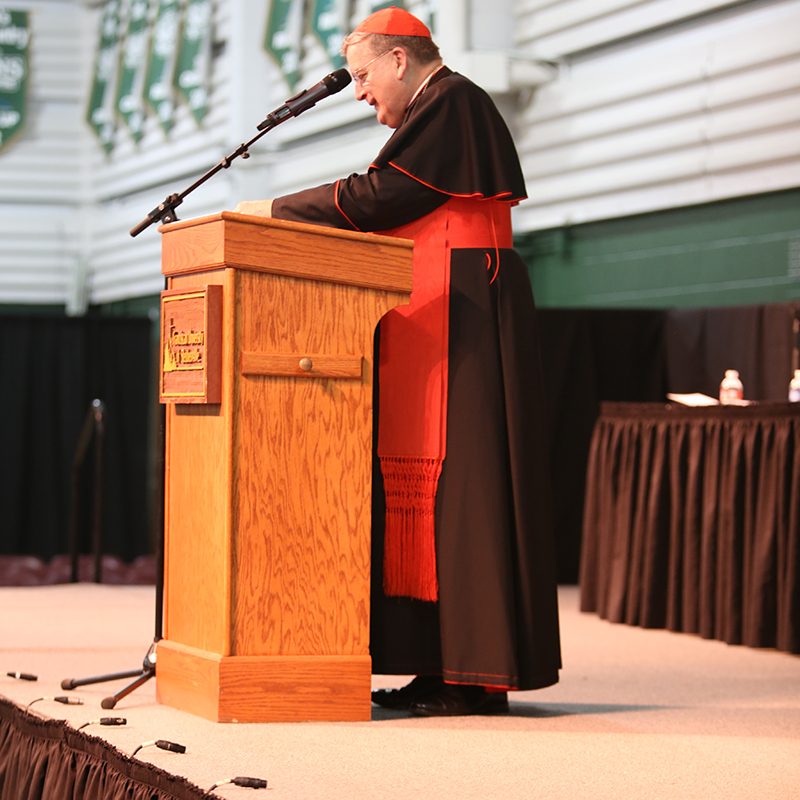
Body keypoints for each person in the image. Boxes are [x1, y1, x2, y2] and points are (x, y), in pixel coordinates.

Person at [236, 6, 561, 717]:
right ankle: (437, 662)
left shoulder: (455, 102)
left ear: (400, 61)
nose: (358, 93)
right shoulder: (435, 110)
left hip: (465, 306)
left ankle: (476, 674)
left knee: (465, 490)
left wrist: (277, 211)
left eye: (361, 76)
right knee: (429, 491)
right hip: (431, 308)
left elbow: (382, 196)